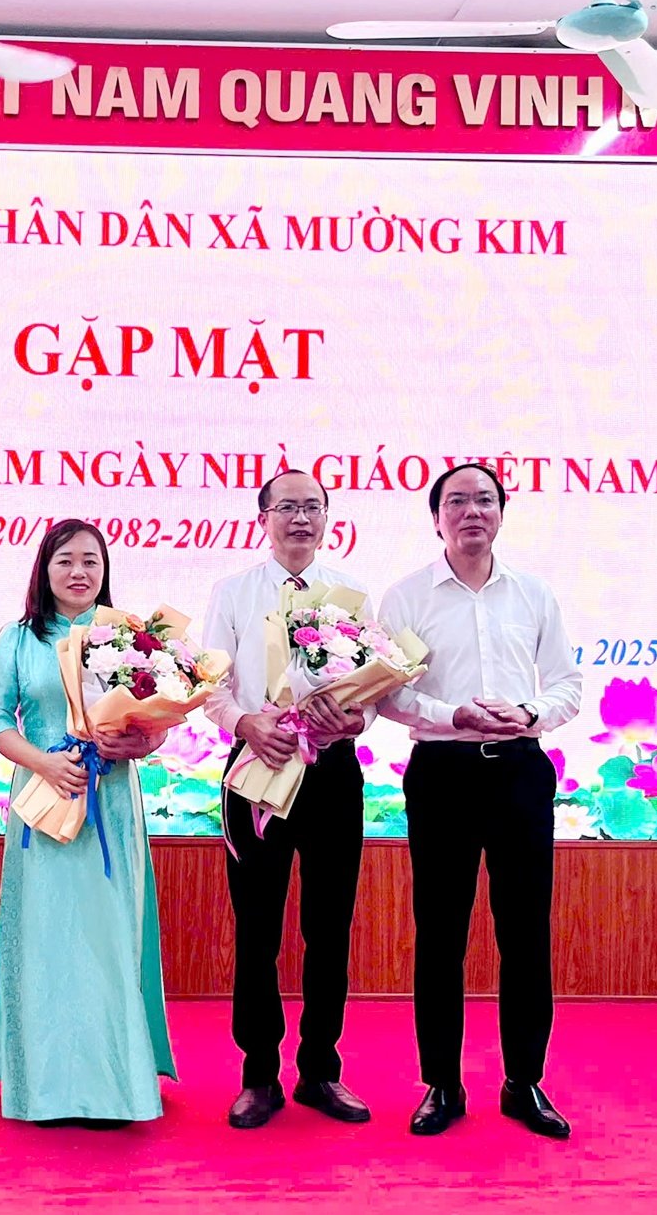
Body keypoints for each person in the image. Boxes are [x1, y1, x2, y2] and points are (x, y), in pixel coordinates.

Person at [376, 463, 583, 1140]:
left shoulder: (533, 594)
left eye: (484, 500)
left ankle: (525, 1081)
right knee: (441, 932)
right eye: (457, 501)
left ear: (501, 513)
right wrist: (453, 714)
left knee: (524, 932)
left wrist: (525, 711)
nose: (472, 511)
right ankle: (441, 1083)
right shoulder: (407, 598)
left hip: (520, 771)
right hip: (442, 772)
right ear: (435, 517)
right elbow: (388, 695)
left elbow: (567, 685)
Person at [0, 519, 174, 1126]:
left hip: (110, 806)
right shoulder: (18, 638)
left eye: (91, 561)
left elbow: (156, 724)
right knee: (45, 936)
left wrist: (135, 746)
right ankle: (44, 1086)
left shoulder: (130, 640)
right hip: (42, 802)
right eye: (65, 560)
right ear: (44, 569)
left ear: (104, 570)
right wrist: (45, 764)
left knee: (108, 936)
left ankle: (118, 1086)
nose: (79, 572)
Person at [204, 470, 373, 1129]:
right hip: (256, 768)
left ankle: (321, 1070)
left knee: (329, 930)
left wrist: (355, 720)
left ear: (328, 516)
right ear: (263, 517)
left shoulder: (350, 595)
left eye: (312, 507)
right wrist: (245, 723)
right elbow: (209, 683)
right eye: (287, 507)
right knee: (257, 930)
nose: (300, 518)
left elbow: (371, 689)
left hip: (331, 774)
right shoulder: (234, 592)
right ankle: (259, 1076)